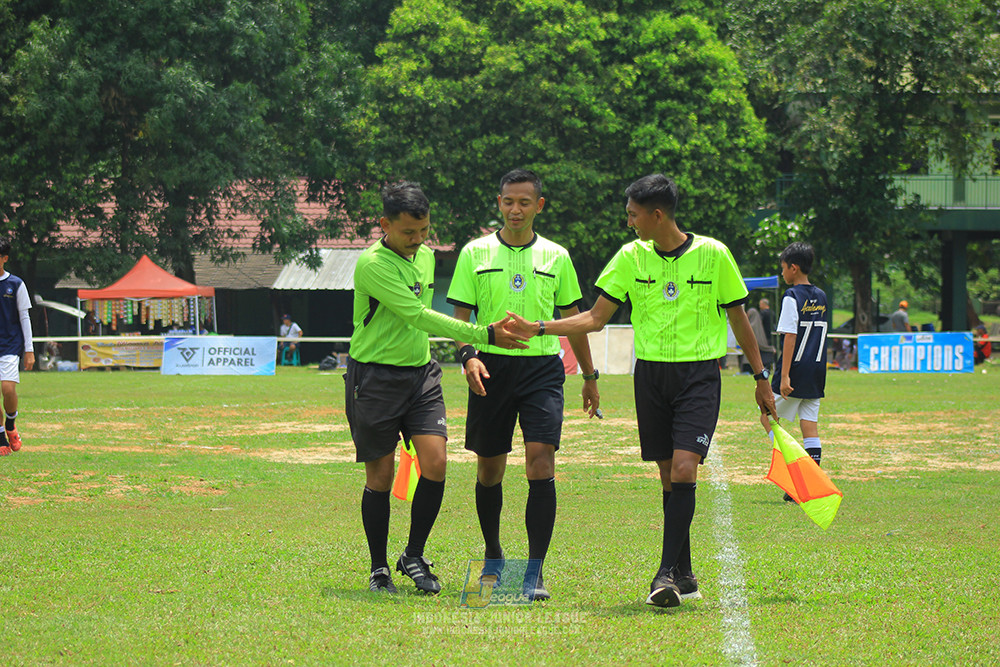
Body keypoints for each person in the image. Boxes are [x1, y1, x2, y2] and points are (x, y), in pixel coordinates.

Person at [505, 174, 776, 609]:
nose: (628, 222)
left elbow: (739, 320)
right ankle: (684, 572)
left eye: (633, 214)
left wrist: (761, 378)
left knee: (686, 469)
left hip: (699, 377)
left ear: (656, 215)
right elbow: (594, 318)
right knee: (669, 475)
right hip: (650, 378)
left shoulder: (714, 254)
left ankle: (665, 573)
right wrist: (540, 326)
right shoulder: (630, 257)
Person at [346, 181, 528, 596]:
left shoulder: (426, 257)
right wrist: (482, 334)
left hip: (420, 376)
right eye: (408, 232)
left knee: (436, 464)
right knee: (381, 475)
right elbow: (418, 315)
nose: (417, 240)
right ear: (385, 225)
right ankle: (378, 569)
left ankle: (413, 554)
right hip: (374, 377)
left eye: (423, 231)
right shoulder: (373, 264)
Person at [447, 168, 601, 602]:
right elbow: (459, 321)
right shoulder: (474, 253)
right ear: (499, 203)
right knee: (489, 468)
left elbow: (576, 322)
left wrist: (589, 377)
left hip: (542, 371)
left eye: (525, 202)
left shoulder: (557, 256)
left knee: (541, 462)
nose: (516, 210)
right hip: (490, 368)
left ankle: (534, 571)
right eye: (508, 202)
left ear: (539, 206)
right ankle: (494, 555)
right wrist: (469, 355)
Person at [758, 242, 829, 502]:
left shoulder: (792, 296)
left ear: (794, 267)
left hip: (795, 368)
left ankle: (797, 476)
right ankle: (810, 482)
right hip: (817, 368)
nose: (782, 272)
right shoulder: (821, 296)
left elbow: (790, 335)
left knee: (766, 415)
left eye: (783, 268)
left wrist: (785, 375)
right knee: (809, 425)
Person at [0, 238, 35, 456]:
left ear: (4, 258)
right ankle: (1, 435)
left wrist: (29, 350)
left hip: (10, 344)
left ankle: (11, 423)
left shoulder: (16, 284)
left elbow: (24, 317)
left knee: (7, 389)